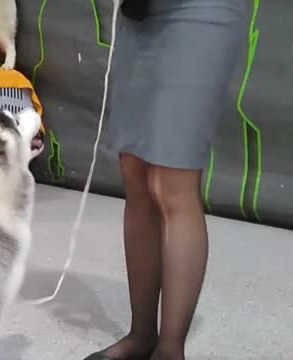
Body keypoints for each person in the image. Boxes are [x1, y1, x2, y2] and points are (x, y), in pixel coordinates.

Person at [84, 0, 247, 359]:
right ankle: (141, 336)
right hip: (139, 15)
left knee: (170, 180)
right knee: (135, 173)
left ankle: (170, 350)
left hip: (201, 12)